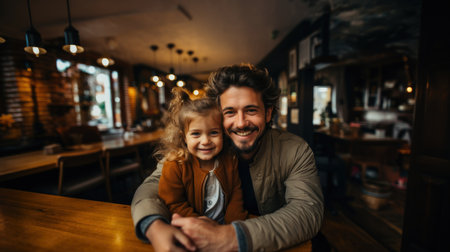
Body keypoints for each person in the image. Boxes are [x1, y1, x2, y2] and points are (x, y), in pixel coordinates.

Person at [131, 64, 324, 251]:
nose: (241, 123)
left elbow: (307, 210)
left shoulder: (295, 150)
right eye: (229, 112)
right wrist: (154, 226)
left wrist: (230, 237)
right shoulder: (196, 149)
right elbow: (151, 187)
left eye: (251, 110)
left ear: (268, 113)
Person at [156, 87, 247, 224]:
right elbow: (174, 203)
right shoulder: (175, 165)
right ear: (184, 138)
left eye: (214, 133)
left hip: (227, 228)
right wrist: (201, 224)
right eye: (196, 134)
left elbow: (236, 195)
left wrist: (232, 226)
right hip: (191, 228)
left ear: (223, 133)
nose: (205, 141)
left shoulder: (229, 160)